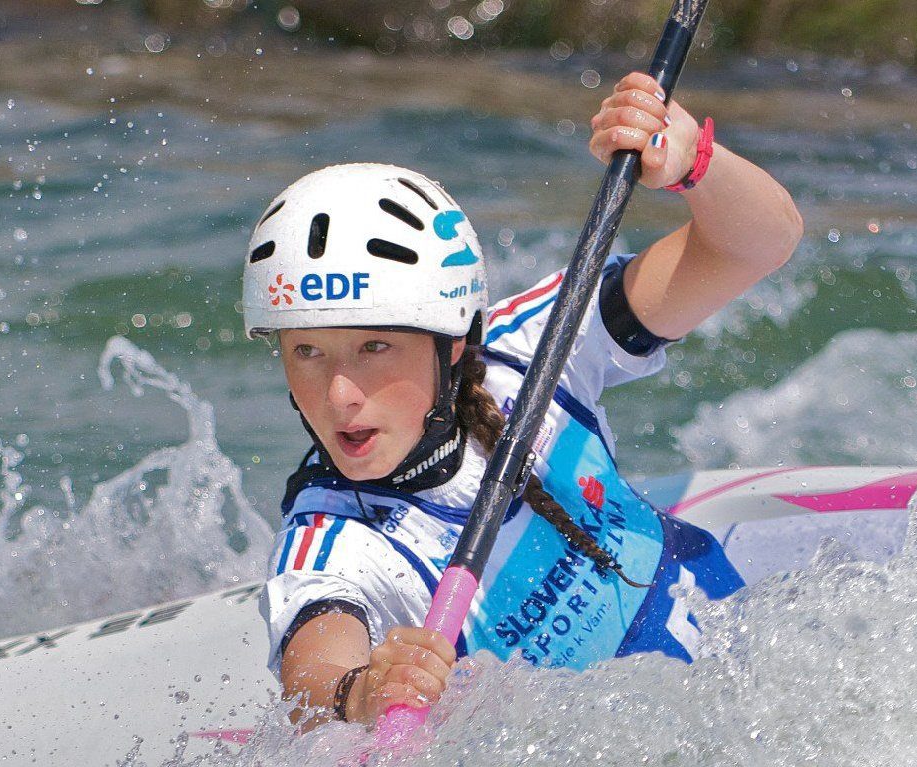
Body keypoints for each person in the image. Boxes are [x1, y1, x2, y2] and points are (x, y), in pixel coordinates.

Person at [245, 72, 803, 729]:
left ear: (452, 343)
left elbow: (758, 244)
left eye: (374, 348)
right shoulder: (334, 538)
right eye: (307, 353)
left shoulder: (535, 346)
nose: (339, 395)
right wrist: (362, 692)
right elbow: (311, 677)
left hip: (756, 657)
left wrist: (695, 165)